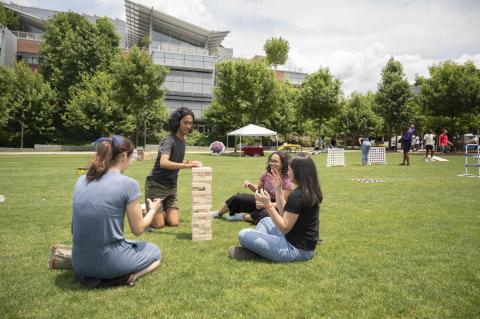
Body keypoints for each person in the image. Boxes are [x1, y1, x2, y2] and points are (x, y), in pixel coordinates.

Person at [71, 135, 161, 286]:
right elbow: (138, 230)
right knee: (155, 252)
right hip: (109, 261)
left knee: (125, 243)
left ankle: (94, 275)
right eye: (132, 157)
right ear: (124, 156)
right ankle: (130, 277)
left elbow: (74, 229)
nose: (131, 162)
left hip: (79, 262)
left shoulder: (82, 179)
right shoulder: (128, 184)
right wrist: (152, 210)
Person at [229, 153, 322, 262]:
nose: (287, 172)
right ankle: (262, 249)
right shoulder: (308, 191)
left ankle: (256, 251)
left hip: (295, 249)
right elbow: (284, 214)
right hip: (301, 245)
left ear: (298, 172)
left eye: (290, 170)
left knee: (243, 234)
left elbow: (284, 227)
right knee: (265, 221)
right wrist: (278, 189)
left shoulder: (297, 196)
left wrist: (268, 205)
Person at [145, 107, 203, 229]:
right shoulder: (168, 140)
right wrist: (187, 166)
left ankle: (158, 209)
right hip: (157, 184)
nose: (188, 126)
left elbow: (175, 160)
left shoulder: (183, 141)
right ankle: (144, 210)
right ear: (177, 122)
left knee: (174, 223)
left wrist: (189, 162)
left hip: (172, 187)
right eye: (185, 123)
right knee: (159, 225)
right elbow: (164, 163)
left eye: (190, 123)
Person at [211, 152, 293, 224]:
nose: (272, 163)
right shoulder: (266, 174)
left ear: (283, 164)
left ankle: (242, 217)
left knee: (264, 215)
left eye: (275, 161)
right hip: (264, 200)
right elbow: (258, 190)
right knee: (238, 198)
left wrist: (267, 204)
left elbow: (283, 203)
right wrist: (250, 185)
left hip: (277, 206)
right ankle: (218, 213)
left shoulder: (287, 180)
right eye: (271, 161)